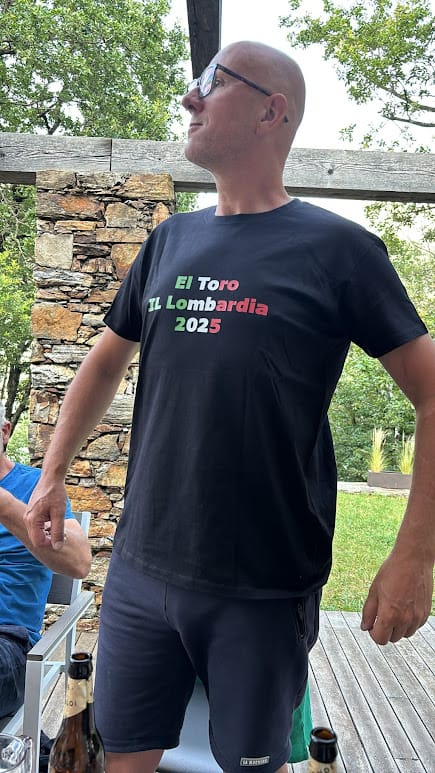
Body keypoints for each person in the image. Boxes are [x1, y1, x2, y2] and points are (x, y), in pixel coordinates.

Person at [24, 40, 435, 773]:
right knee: (120, 758)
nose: (189, 97)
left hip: (263, 584)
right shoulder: (169, 241)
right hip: (141, 569)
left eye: (212, 83)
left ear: (271, 112)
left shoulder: (340, 250)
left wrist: (414, 555)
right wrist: (51, 473)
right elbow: (105, 361)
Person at [0, 401, 91, 719]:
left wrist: (6, 507)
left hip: (9, 644)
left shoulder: (37, 488)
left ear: (5, 432)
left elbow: (79, 562)